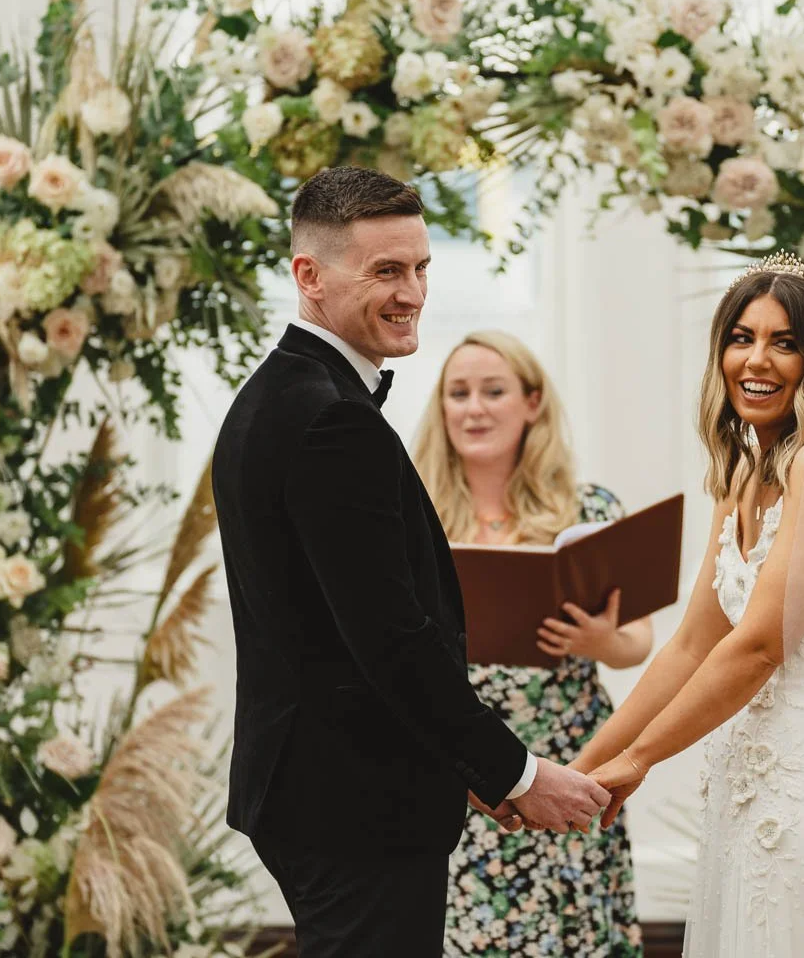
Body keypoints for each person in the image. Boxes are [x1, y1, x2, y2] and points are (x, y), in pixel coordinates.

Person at [211, 167, 609, 957]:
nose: (414, 292)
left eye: (422, 267)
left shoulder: (279, 395)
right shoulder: (332, 422)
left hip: (317, 789)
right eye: (387, 271)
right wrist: (515, 773)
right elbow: (388, 639)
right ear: (309, 275)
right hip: (358, 803)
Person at [570, 252, 804, 955]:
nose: (757, 360)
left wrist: (642, 760)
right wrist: (584, 765)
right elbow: (691, 645)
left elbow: (761, 646)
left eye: (785, 342)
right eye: (742, 337)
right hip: (747, 783)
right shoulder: (744, 470)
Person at [413, 330, 650, 957]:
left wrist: (598, 639)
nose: (474, 408)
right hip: (465, 776)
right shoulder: (417, 513)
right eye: (458, 393)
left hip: (575, 765)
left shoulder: (586, 509)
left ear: (533, 403)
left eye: (494, 391)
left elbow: (639, 643)